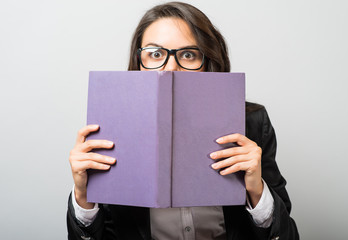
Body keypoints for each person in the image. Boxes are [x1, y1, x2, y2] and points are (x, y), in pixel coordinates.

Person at [67, 2, 299, 240]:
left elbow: (288, 236)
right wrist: (83, 195)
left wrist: (257, 191)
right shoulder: (111, 128)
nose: (170, 68)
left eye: (188, 55)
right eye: (155, 54)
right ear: (138, 63)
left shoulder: (252, 124)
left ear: (208, 61)